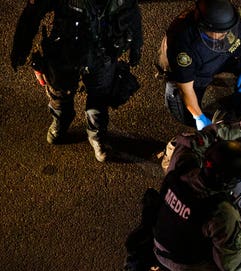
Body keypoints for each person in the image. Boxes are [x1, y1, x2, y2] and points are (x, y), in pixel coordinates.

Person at [10, 0, 142, 162]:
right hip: (65, 52)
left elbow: (132, 12)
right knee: (59, 93)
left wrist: (136, 44)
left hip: (103, 54)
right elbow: (33, 11)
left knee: (100, 97)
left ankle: (97, 137)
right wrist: (21, 46)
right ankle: (61, 120)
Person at [134, 140, 241, 271]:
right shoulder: (222, 212)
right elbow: (229, 261)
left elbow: (188, 142)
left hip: (158, 241)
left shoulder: (181, 168)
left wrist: (231, 129)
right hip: (187, 262)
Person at [159, 0, 241, 130]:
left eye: (224, 33)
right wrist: (199, 117)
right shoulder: (182, 43)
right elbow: (186, 89)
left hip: (226, 56)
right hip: (196, 71)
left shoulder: (235, 17)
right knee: (187, 115)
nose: (221, 36)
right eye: (216, 33)